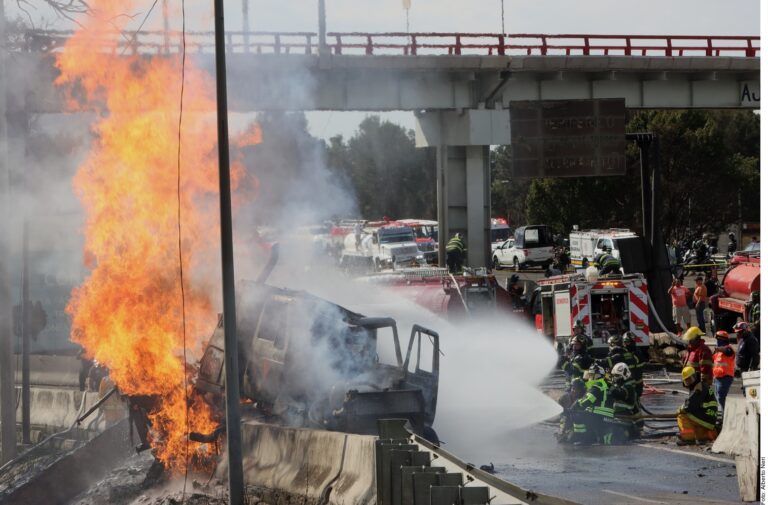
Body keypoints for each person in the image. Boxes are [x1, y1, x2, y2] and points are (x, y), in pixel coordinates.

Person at [570, 364, 616, 445]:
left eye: (591, 375)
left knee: (577, 415)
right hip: (605, 416)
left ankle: (581, 438)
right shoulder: (604, 384)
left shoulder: (597, 386)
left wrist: (576, 403)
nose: (589, 377)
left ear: (596, 376)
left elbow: (587, 401)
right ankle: (590, 437)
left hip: (598, 415)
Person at [676, 366, 719, 445]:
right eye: (686, 381)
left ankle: (687, 438)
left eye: (690, 379)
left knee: (682, 415)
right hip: (709, 418)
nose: (689, 382)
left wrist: (680, 409)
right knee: (698, 433)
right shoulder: (701, 385)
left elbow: (690, 406)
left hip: (705, 416)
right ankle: (706, 436)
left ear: (695, 376)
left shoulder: (699, 388)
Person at [607, 362, 640, 442]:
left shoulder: (628, 387)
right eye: (614, 376)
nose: (615, 378)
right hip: (618, 418)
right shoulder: (621, 386)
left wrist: (608, 385)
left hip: (624, 418)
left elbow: (618, 393)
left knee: (615, 435)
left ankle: (625, 433)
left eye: (617, 376)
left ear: (624, 375)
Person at [712, 330, 735, 412]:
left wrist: (718, 349)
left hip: (725, 377)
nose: (717, 341)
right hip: (717, 378)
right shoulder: (717, 352)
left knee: (721, 397)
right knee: (717, 397)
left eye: (718, 340)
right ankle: (722, 414)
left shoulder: (729, 349)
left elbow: (726, 351)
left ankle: (726, 415)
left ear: (723, 340)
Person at [622, 332, 645, 399]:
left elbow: (637, 367)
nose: (625, 344)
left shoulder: (636, 353)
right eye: (624, 342)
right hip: (631, 382)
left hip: (635, 383)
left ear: (632, 342)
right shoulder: (627, 352)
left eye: (627, 342)